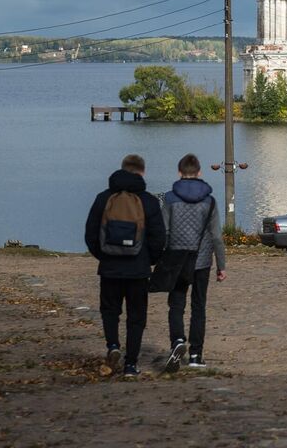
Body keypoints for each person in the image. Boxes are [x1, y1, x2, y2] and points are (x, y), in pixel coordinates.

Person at [84, 153, 166, 377]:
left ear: (121, 169)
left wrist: (103, 256)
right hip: (138, 270)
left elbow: (90, 234)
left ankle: (113, 346)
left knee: (110, 311)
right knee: (136, 317)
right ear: (143, 172)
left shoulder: (104, 198)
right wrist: (149, 260)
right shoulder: (149, 201)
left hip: (110, 268)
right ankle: (131, 364)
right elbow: (159, 237)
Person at [160, 152, 226, 371]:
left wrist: (163, 256)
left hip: (178, 259)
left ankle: (178, 342)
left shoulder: (169, 199)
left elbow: (164, 232)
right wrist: (221, 265)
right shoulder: (210, 201)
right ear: (199, 173)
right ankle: (196, 355)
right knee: (199, 306)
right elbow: (216, 236)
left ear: (180, 173)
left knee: (176, 304)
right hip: (202, 260)